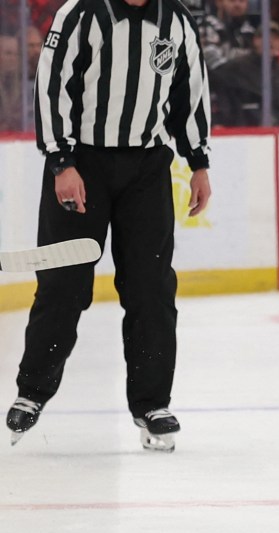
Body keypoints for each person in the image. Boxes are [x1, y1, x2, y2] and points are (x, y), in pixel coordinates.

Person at [6, 0, 213, 452]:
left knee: (151, 289)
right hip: (82, 164)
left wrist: (198, 162)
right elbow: (52, 85)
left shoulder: (176, 19)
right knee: (63, 284)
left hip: (148, 169)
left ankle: (152, 404)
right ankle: (32, 390)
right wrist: (61, 162)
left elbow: (190, 91)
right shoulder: (80, 13)